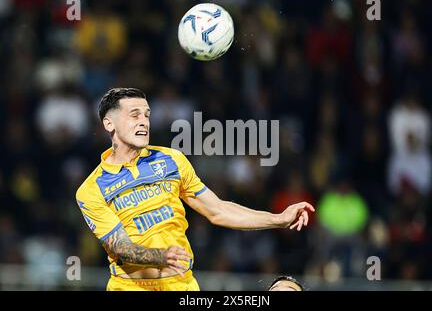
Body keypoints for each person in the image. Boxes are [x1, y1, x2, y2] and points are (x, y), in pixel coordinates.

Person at [75, 88, 315, 291]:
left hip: (182, 285)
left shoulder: (171, 160)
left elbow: (217, 210)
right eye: (134, 115)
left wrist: (278, 218)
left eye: (147, 115)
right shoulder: (92, 189)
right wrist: (161, 256)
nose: (143, 122)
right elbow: (121, 248)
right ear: (109, 123)